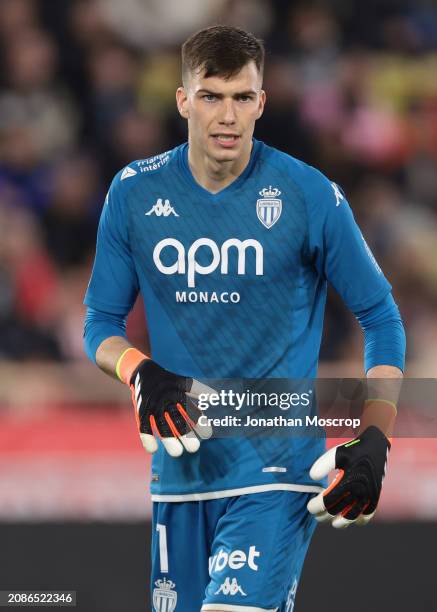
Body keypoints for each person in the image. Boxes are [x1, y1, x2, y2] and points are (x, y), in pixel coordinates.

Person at [83, 25, 405, 612]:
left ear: (261, 102)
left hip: (275, 471)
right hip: (180, 478)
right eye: (211, 96)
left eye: (240, 97)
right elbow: (99, 324)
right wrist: (140, 374)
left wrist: (377, 436)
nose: (226, 115)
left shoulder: (309, 195)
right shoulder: (133, 193)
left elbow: (381, 316)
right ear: (183, 100)